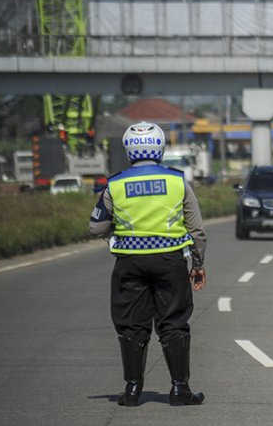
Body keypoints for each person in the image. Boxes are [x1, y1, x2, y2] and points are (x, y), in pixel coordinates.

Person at [89, 121, 207, 407]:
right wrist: (198, 263)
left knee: (131, 324)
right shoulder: (177, 181)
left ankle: (131, 391)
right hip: (171, 261)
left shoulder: (114, 184)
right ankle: (180, 390)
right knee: (174, 322)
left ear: (129, 150)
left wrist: (117, 237)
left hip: (129, 263)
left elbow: (96, 227)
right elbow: (197, 230)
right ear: (160, 148)